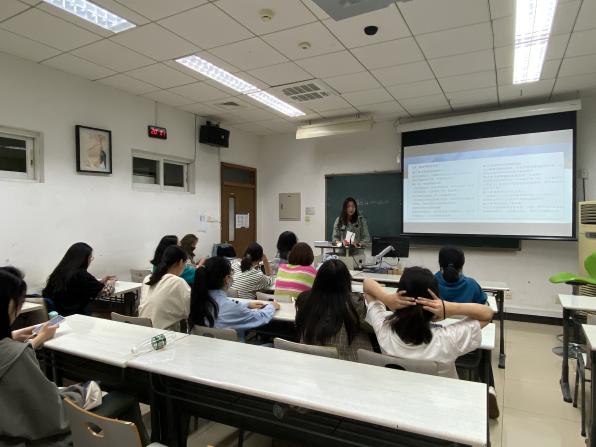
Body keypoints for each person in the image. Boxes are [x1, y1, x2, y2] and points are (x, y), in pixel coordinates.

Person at [2, 267, 151, 445]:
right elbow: (54, 416)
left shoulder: (59, 274)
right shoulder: (17, 357)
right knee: (117, 392)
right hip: (40, 438)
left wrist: (13, 336)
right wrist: (79, 394)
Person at [363, 268, 499, 418]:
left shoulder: (383, 328)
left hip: (399, 406)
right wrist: (450, 308)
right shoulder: (447, 339)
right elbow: (487, 314)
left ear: (398, 295)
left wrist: (386, 298)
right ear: (436, 301)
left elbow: (367, 284)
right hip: (442, 413)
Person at [295, 259, 373, 361]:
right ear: (346, 280)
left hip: (311, 361)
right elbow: (372, 327)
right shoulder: (354, 303)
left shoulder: (304, 300)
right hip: (348, 362)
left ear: (318, 279)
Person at [189, 256, 279, 341]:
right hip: (232, 350)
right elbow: (260, 317)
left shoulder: (196, 301)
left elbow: (224, 304)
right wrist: (271, 306)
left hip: (205, 348)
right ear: (226, 279)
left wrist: (247, 304)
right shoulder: (234, 308)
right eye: (231, 273)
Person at [42, 242, 115, 316]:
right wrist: (110, 282)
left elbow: (83, 286)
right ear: (84, 259)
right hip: (75, 315)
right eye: (90, 258)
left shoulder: (59, 271)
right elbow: (105, 293)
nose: (90, 261)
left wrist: (101, 282)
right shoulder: (81, 274)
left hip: (57, 314)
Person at [139, 246, 191, 331]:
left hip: (142, 330)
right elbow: (189, 311)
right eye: (186, 264)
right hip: (162, 335)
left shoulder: (148, 278)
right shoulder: (177, 282)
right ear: (181, 262)